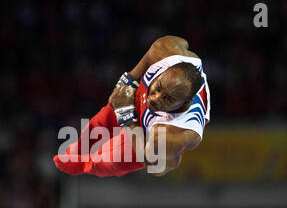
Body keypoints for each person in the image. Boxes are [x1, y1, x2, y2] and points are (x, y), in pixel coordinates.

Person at [54, 35, 211, 177]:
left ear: (186, 104)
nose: (155, 99)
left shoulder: (172, 133)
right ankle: (74, 153)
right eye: (158, 87)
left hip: (145, 140)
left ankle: (84, 166)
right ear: (164, 70)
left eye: (167, 99)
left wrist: (126, 116)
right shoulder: (166, 51)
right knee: (95, 127)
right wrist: (127, 81)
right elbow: (152, 54)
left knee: (105, 160)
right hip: (137, 102)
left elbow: (155, 166)